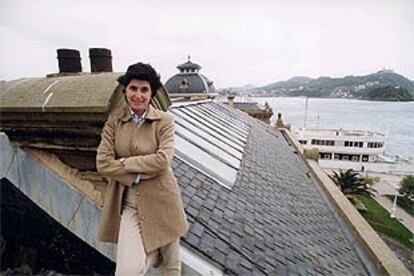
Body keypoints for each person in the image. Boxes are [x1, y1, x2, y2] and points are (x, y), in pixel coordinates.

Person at [96, 62, 188, 275]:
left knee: (172, 267)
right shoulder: (115, 120)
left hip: (164, 201)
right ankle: (152, 251)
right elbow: (102, 163)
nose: (138, 95)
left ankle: (155, 251)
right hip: (131, 204)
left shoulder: (164, 121)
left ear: (152, 93)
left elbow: (163, 160)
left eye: (144, 89)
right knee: (126, 271)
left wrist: (124, 163)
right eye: (133, 88)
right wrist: (135, 176)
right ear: (125, 90)